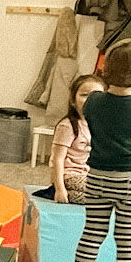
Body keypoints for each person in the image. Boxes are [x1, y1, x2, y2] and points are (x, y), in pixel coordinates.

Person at [73, 48, 131, 262]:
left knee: (92, 233)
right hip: (127, 180)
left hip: (96, 177)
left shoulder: (94, 102)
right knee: (126, 239)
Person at [49, 72, 102, 205]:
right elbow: (57, 159)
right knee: (97, 195)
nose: (90, 100)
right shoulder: (67, 126)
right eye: (84, 95)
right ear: (73, 101)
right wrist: (60, 189)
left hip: (87, 174)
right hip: (70, 176)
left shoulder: (98, 125)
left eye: (97, 96)